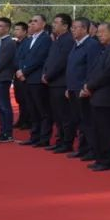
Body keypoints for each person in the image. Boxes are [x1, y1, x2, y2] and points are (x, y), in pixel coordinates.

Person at [82, 23, 110, 172]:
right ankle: (100, 158)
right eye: (98, 32)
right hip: (97, 95)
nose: (99, 35)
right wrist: (88, 85)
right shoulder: (105, 49)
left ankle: (107, 160)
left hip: (107, 96)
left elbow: (108, 73)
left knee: (106, 130)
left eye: (102, 32)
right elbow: (96, 71)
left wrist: (90, 86)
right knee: (98, 129)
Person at [66, 17, 102, 160]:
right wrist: (69, 87)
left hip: (83, 89)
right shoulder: (76, 44)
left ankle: (93, 150)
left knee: (88, 121)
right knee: (80, 121)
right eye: (72, 27)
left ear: (84, 29)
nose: (72, 30)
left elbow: (92, 68)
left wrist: (87, 86)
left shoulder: (91, 45)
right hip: (73, 88)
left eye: (75, 27)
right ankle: (83, 148)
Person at [17, 14, 53, 147]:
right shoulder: (28, 40)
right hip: (26, 79)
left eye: (36, 21)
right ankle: (34, 136)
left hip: (37, 79)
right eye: (31, 21)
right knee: (32, 110)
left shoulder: (46, 39)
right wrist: (20, 70)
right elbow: (20, 56)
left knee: (42, 110)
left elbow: (40, 59)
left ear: (43, 24)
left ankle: (44, 138)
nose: (32, 23)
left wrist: (24, 71)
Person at [42, 13, 75, 153]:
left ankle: (67, 143)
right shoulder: (57, 39)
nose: (53, 25)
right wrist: (45, 72)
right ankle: (60, 140)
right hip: (52, 82)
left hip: (61, 83)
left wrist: (48, 75)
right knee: (57, 115)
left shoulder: (68, 40)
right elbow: (50, 59)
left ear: (65, 26)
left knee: (64, 115)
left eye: (56, 23)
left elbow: (61, 62)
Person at [11, 22, 32, 130]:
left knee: (25, 99)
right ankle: (22, 119)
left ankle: (28, 121)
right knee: (19, 98)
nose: (16, 31)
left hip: (24, 75)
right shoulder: (15, 43)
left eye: (18, 29)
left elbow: (27, 58)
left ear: (25, 31)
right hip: (16, 74)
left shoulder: (28, 43)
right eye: (15, 29)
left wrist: (23, 71)